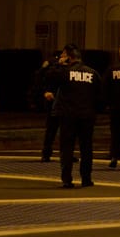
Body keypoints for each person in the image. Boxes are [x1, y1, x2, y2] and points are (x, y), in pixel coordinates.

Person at [43, 44, 102, 188]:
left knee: (67, 148)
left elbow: (47, 75)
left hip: (68, 115)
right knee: (86, 148)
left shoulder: (65, 72)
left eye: (63, 55)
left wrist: (58, 64)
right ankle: (86, 178)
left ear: (69, 58)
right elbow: (100, 95)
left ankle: (67, 179)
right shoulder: (92, 73)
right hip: (87, 115)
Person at [31, 50, 66, 161]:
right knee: (51, 128)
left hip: (65, 101)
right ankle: (46, 153)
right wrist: (45, 91)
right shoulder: (53, 64)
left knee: (66, 130)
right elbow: (41, 76)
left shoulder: (71, 66)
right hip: (53, 100)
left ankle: (66, 153)